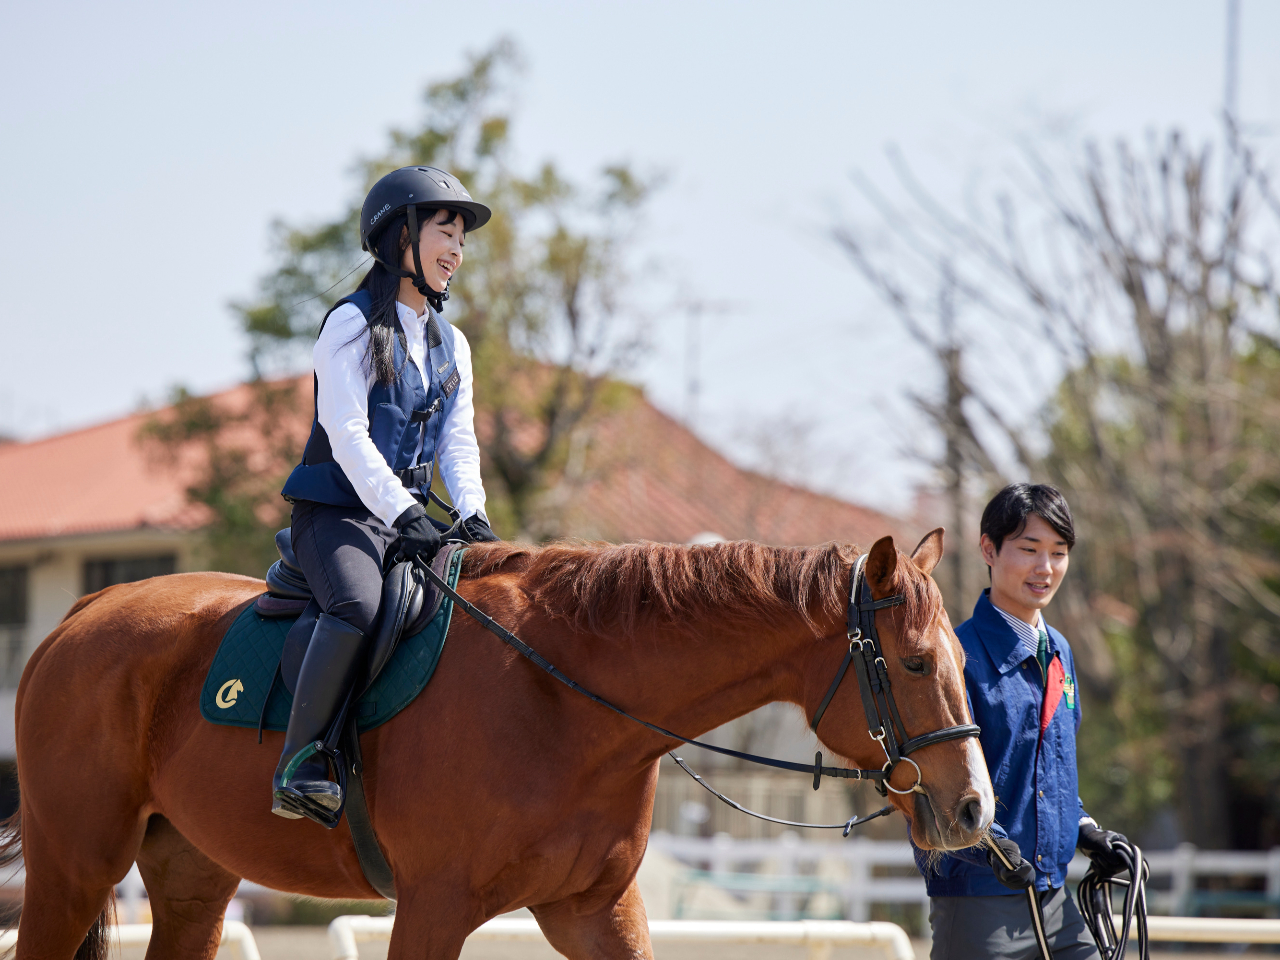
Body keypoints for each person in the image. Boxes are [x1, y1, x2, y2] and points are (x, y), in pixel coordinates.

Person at [271, 166, 500, 824]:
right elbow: (346, 434)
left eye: (462, 239)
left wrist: (474, 513)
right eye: (444, 232)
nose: (456, 251)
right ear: (402, 235)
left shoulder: (452, 343)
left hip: (407, 522)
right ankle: (300, 762)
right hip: (338, 514)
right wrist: (402, 510)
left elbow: (458, 441)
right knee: (357, 603)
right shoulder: (349, 324)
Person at [916, 483, 1131, 959]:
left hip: (1056, 900)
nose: (1045, 568)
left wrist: (1085, 828)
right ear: (988, 550)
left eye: (1058, 552)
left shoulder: (1060, 651)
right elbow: (933, 786)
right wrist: (993, 848)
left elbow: (1050, 773)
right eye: (1029, 549)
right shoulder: (954, 657)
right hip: (980, 903)